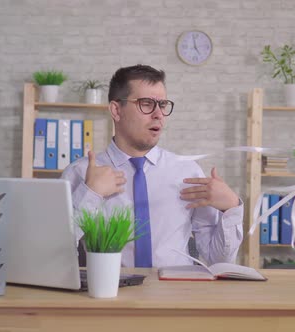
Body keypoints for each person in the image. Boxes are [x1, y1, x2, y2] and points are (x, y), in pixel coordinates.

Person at [61, 64, 244, 268]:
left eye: (162, 104)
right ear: (116, 110)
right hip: (110, 294)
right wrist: (91, 194)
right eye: (146, 104)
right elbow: (52, 251)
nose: (158, 114)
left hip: (175, 295)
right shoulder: (80, 173)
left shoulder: (187, 173)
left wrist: (231, 208)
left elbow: (218, 260)